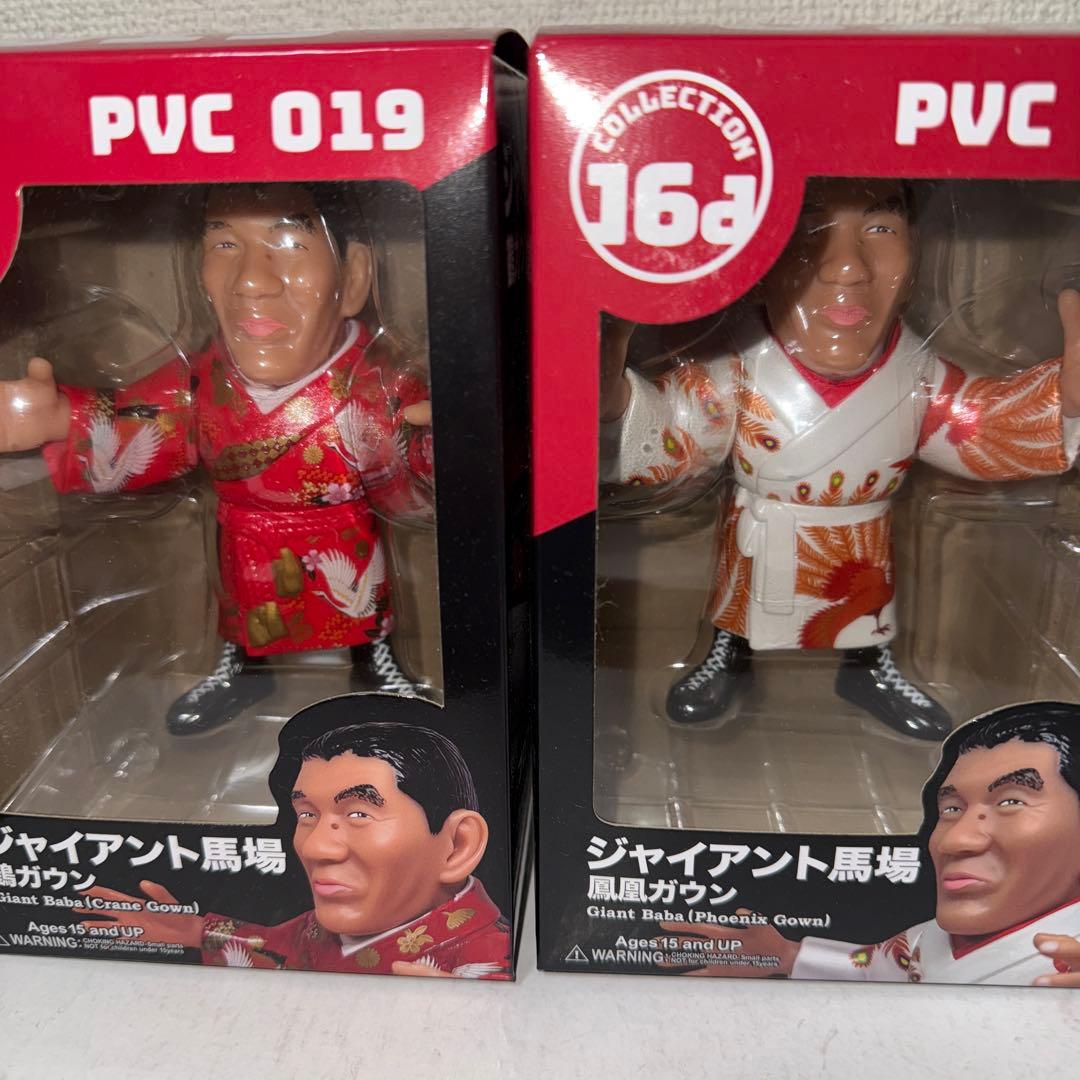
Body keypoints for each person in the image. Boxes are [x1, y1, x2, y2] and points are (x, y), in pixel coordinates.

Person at [600, 177, 1080, 739]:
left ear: (917, 250)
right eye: (809, 230)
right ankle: (728, 655)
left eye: (881, 228)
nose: (848, 267)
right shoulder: (737, 369)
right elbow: (676, 431)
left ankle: (869, 669)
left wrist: (1065, 399)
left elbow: (980, 427)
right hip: (766, 529)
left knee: (866, 610)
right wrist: (608, 394)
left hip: (861, 530)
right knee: (744, 601)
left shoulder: (917, 376)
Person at [0, 183, 433, 734]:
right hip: (246, 536)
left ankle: (375, 666)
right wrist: (61, 419)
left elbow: (415, 463)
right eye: (224, 245)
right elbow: (144, 420)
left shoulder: (376, 382)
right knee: (243, 609)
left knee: (361, 603)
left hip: (341, 532)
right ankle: (242, 671)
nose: (251, 281)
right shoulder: (201, 380)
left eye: (290, 244)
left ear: (352, 279)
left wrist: (447, 440)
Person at [661, 701, 1080, 986]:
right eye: (952, 809)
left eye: (1010, 802)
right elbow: (868, 965)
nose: (955, 840)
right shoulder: (929, 939)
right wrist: (789, 955)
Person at [75, 714, 512, 979]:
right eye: (307, 815)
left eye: (358, 814)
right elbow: (276, 947)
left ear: (457, 845)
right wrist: (193, 931)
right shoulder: (322, 929)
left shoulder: (488, 961)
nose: (316, 848)